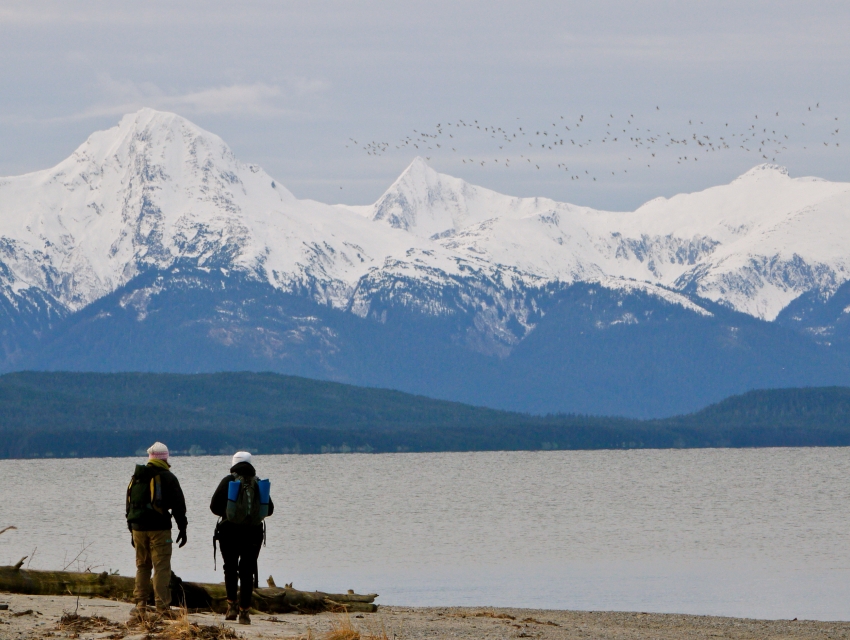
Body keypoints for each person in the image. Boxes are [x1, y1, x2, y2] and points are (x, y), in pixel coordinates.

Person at [125, 442, 188, 623]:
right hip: (159, 529)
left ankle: (140, 606)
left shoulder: (137, 477)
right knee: (161, 567)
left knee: (142, 566)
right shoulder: (168, 477)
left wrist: (131, 530)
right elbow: (178, 507)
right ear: (165, 457)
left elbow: (129, 506)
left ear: (150, 457)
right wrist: (182, 528)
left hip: (137, 528)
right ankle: (162, 608)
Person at [210, 451, 274, 625]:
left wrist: (229, 513)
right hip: (253, 533)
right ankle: (245, 612)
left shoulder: (228, 481)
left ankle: (231, 606)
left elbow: (214, 507)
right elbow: (269, 510)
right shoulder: (258, 483)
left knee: (230, 568)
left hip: (228, 532)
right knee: (247, 570)